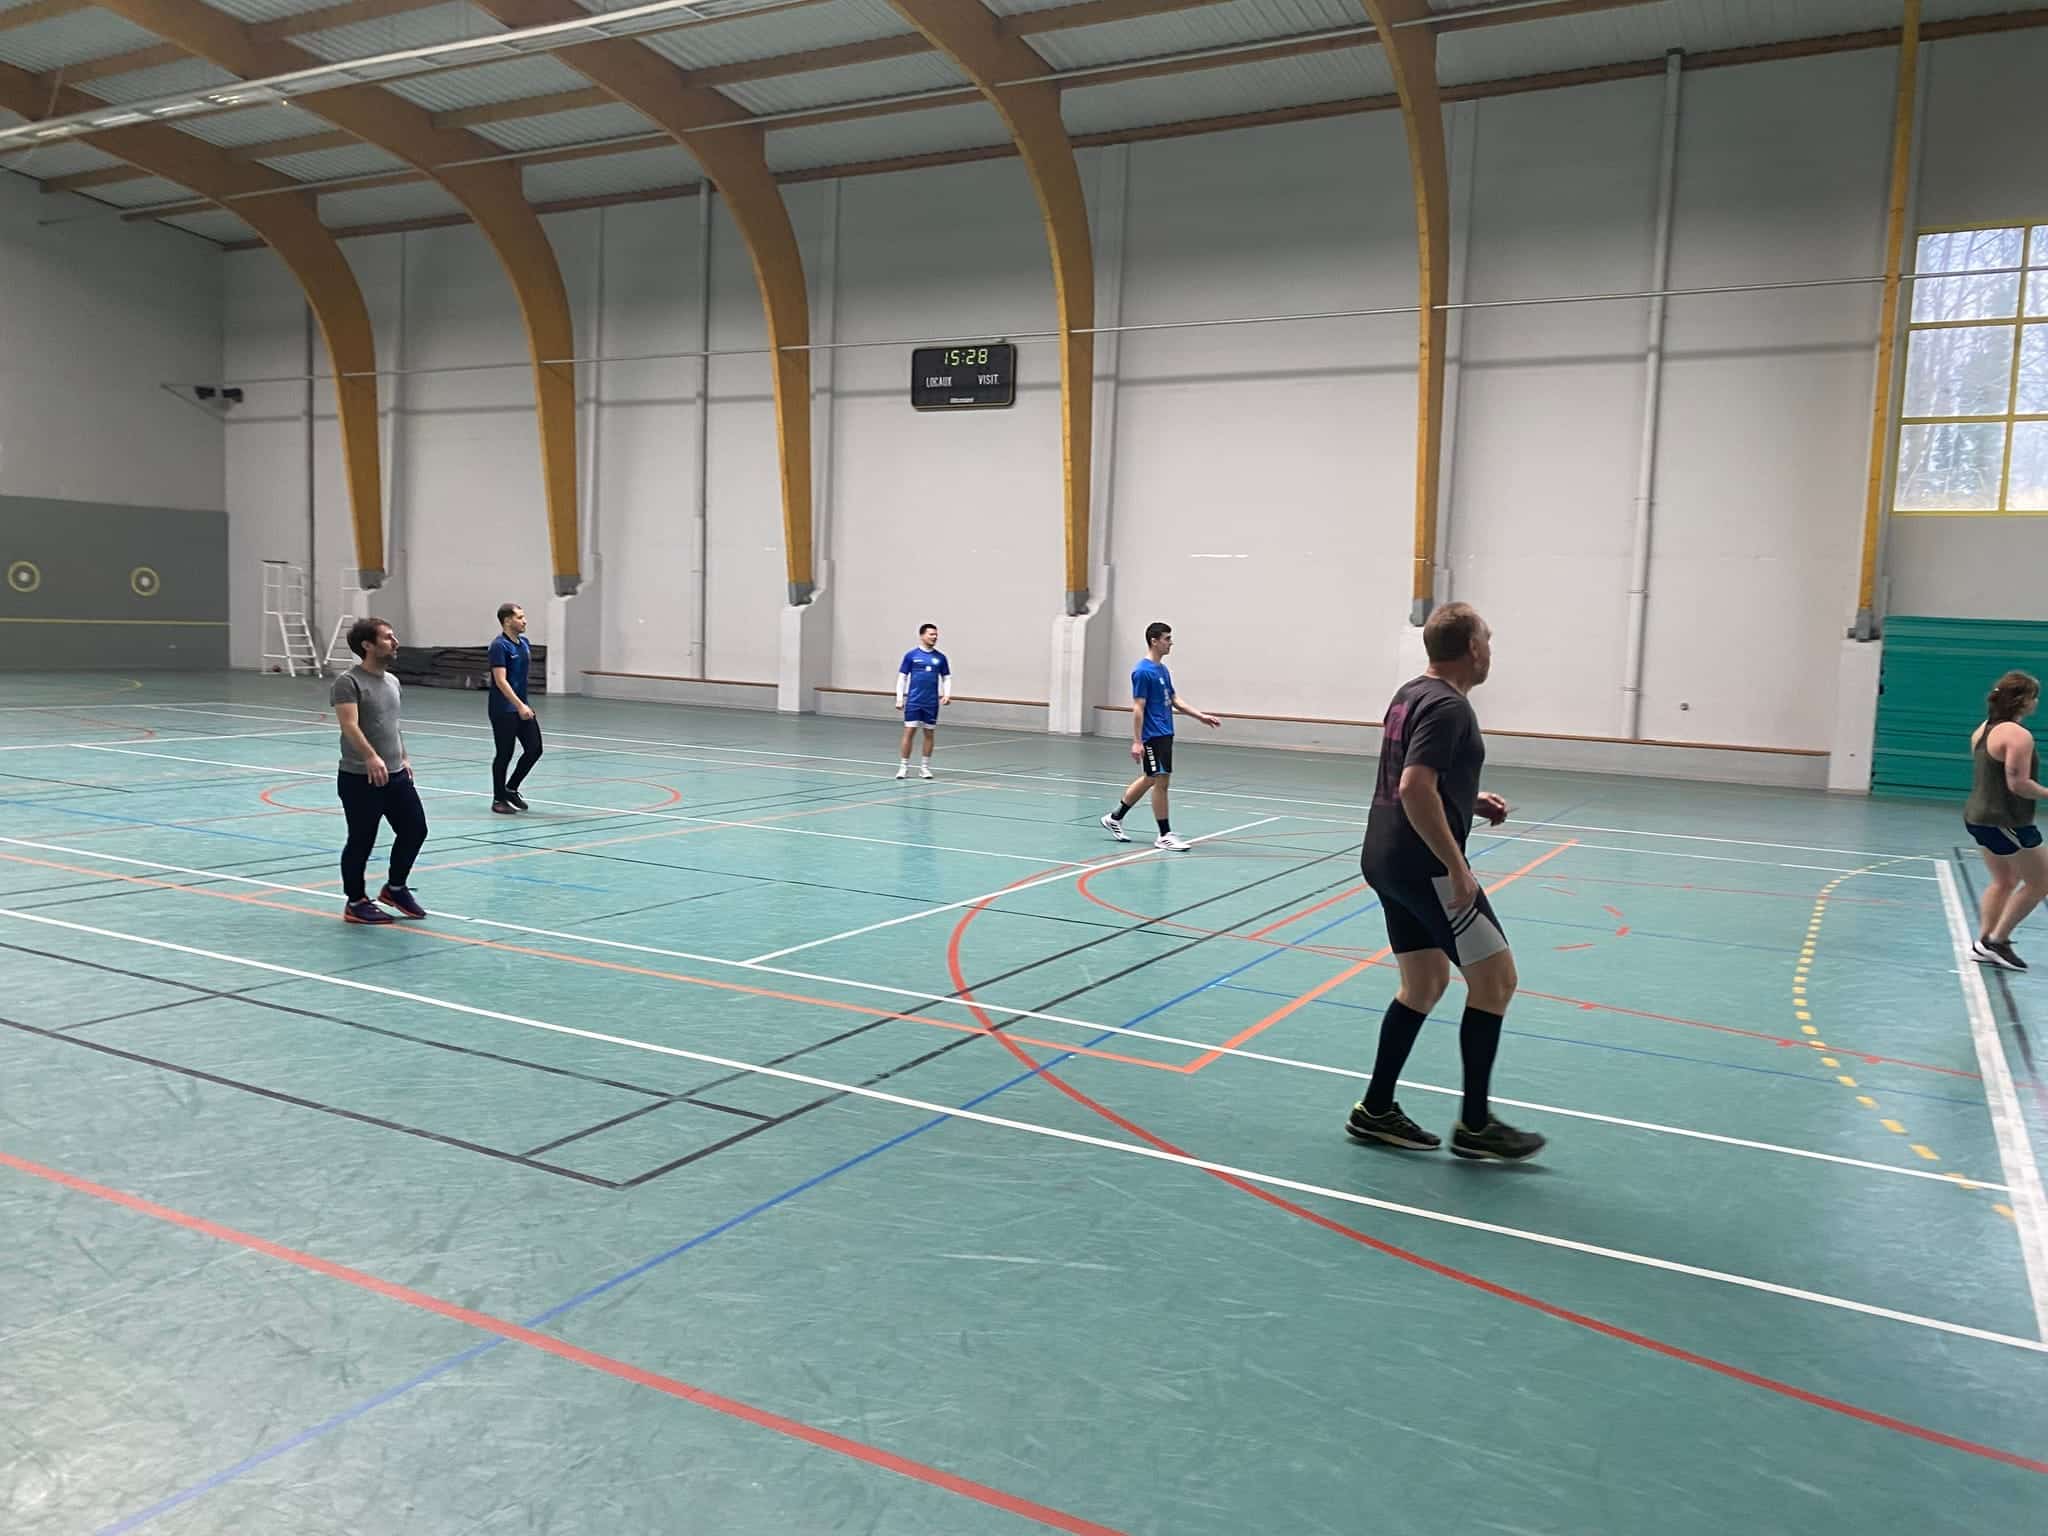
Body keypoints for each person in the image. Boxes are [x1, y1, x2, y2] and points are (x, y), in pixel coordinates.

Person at [1345, 602, 1543, 1161]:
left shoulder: (1411, 692)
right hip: (1423, 865)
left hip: (1385, 857)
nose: (1490, 650)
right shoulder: (1451, 707)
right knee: (1496, 980)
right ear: (1474, 649)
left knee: (1425, 982)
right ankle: (1476, 1126)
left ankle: (1376, 1109)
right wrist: (1457, 865)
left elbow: (1420, 775)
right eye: (1488, 640)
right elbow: (1412, 787)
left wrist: (1464, 798)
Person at [331, 616, 428, 925]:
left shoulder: (392, 681)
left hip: (396, 774)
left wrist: (403, 756)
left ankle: (395, 888)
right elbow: (349, 724)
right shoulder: (348, 682)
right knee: (362, 839)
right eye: (387, 637)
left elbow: (392, 725)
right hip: (360, 777)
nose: (395, 641)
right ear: (367, 645)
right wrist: (371, 757)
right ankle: (356, 901)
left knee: (415, 829)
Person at [1100, 621, 1220, 852]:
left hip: (1166, 732)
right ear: (1154, 641)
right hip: (1152, 735)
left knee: (1151, 779)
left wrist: (1200, 716)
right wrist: (1137, 741)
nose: (1170, 643)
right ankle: (1164, 835)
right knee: (1160, 782)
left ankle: (1114, 818)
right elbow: (1138, 707)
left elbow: (1174, 700)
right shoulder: (1142, 672)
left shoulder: (1162, 670)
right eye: (1167, 638)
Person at [1966, 669, 2048, 971]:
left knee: (2004, 881)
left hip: (1978, 817)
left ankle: (1983, 942)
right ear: (2023, 700)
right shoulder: (2018, 735)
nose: (2036, 702)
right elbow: (2019, 784)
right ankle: (1997, 941)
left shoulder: (1983, 729)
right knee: (2041, 882)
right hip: (2007, 821)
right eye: (2034, 696)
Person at [488, 601, 543, 814]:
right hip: (503, 709)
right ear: (507, 620)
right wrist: (519, 705)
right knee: (504, 753)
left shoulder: (524, 643)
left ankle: (511, 788)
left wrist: (524, 705)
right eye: (520, 617)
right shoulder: (499, 646)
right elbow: (501, 681)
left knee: (534, 748)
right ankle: (498, 799)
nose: (524, 620)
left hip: (522, 707)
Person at [894, 623, 951, 779]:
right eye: (931, 634)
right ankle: (903, 767)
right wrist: (900, 698)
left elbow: (946, 677)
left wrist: (946, 694)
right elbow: (902, 677)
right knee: (909, 732)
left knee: (929, 733)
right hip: (914, 701)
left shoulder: (940, 658)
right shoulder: (911, 656)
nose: (935, 637)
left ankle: (924, 768)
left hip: (931, 702)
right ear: (922, 635)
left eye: (936, 635)